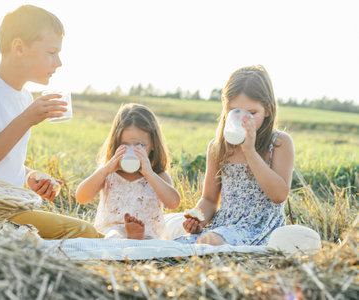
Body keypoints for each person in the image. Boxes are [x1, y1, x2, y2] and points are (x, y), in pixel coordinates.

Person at [0, 5, 101, 239]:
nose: (58, 62)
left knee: (83, 233)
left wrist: (29, 175)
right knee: (84, 232)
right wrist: (27, 118)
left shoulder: (24, 97)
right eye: (51, 52)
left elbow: (2, 159)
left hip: (13, 207)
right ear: (19, 47)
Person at [176, 65, 294, 246]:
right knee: (181, 243)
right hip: (224, 226)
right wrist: (198, 220)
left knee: (208, 242)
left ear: (268, 110)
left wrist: (250, 151)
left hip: (260, 228)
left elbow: (279, 195)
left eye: (251, 113)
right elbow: (208, 199)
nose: (242, 119)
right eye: (234, 111)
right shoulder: (218, 147)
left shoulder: (279, 143)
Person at [76, 104, 180, 239]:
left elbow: (173, 203)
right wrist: (105, 170)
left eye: (140, 145)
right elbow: (81, 197)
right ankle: (128, 239)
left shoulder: (158, 176)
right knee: (114, 236)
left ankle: (136, 237)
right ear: (115, 143)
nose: (132, 150)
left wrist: (149, 174)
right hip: (111, 233)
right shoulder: (109, 174)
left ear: (153, 144)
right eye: (124, 145)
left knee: (150, 241)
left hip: (147, 235)